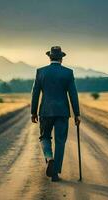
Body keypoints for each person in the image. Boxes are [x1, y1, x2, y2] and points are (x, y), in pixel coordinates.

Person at [31, 46, 80, 182]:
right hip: (62, 112)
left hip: (45, 111)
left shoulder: (41, 72)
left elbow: (35, 93)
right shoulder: (68, 73)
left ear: (49, 57)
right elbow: (73, 94)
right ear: (61, 59)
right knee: (60, 142)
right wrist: (77, 114)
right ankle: (55, 173)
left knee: (44, 137)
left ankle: (49, 158)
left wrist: (33, 112)